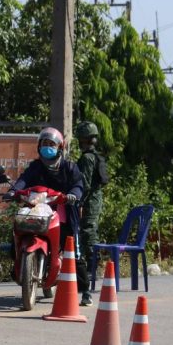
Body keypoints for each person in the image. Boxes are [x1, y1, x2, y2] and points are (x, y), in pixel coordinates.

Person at [11, 127, 84, 284]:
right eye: (45, 144)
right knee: (17, 231)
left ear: (60, 147)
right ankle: (18, 265)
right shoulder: (35, 166)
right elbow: (23, 180)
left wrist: (73, 194)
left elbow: (78, 184)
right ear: (39, 146)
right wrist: (13, 191)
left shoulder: (69, 167)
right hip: (36, 209)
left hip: (63, 212)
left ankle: (84, 290)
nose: (48, 147)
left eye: (52, 144)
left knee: (72, 248)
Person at [75, 121, 107, 306]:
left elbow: (85, 184)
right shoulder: (93, 156)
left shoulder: (87, 158)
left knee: (87, 231)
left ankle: (91, 269)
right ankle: (90, 268)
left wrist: (79, 202)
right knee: (88, 231)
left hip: (89, 200)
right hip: (94, 199)